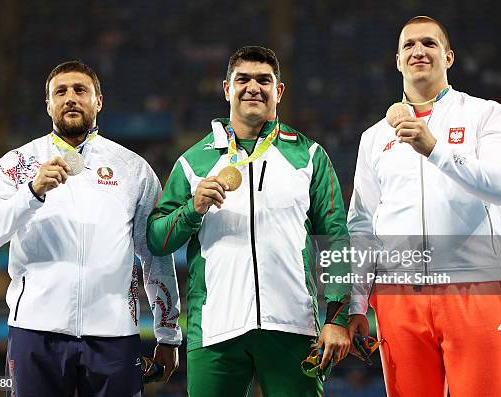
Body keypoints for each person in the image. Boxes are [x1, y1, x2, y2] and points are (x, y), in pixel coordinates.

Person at [147, 46, 351, 396]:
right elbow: (156, 239)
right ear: (227, 88)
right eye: (242, 79)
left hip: (294, 327)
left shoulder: (310, 156)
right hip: (214, 331)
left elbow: (335, 240)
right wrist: (192, 209)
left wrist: (337, 318)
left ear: (279, 91)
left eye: (264, 80)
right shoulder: (192, 162)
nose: (253, 87)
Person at [0, 60, 182, 397]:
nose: (71, 97)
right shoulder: (17, 164)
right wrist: (30, 193)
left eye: (80, 90)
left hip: (114, 334)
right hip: (34, 332)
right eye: (61, 91)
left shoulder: (134, 170)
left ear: (98, 101)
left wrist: (168, 332)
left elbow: (155, 255)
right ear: (48, 104)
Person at [347, 16, 501, 397]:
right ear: (397, 60)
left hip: (473, 288)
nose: (418, 51)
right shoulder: (374, 137)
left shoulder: (485, 114)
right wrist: (357, 303)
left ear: (448, 56)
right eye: (409, 45)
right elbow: (361, 225)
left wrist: (436, 150)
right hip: (397, 296)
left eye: (429, 43)